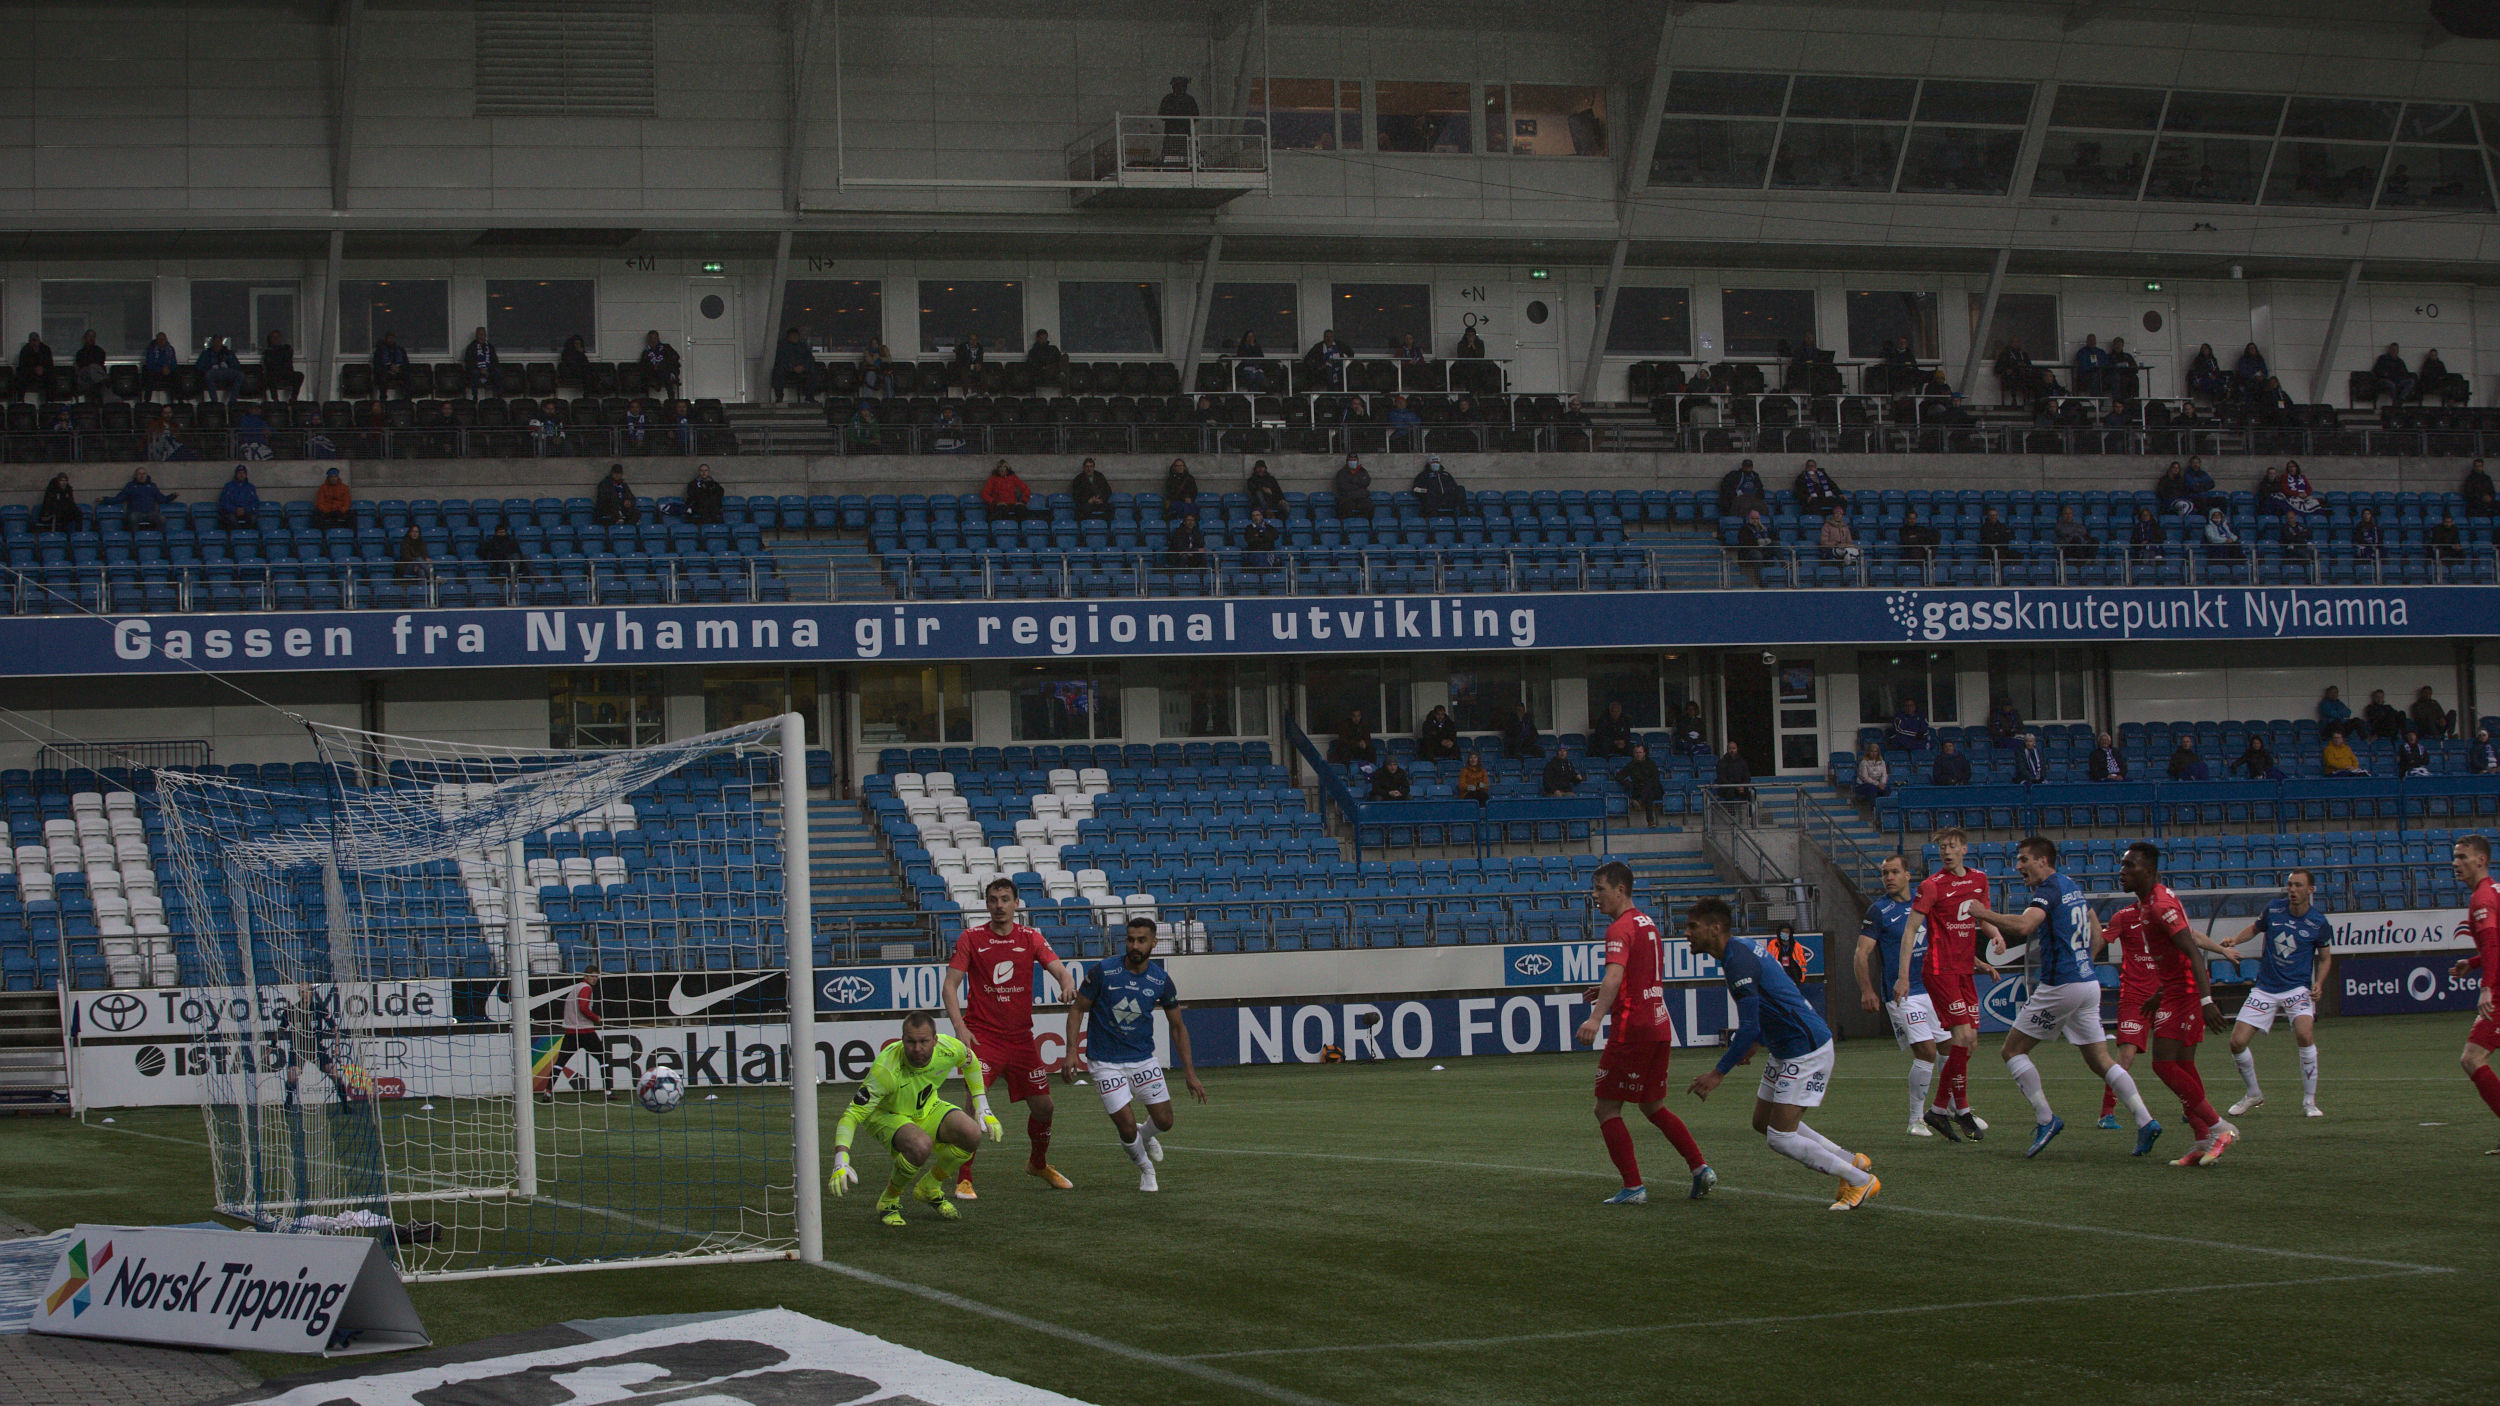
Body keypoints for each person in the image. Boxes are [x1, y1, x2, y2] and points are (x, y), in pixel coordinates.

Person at [1969, 837, 2163, 1158]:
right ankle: (2145, 1121)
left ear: (2043, 861)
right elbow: (2095, 927)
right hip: (2086, 983)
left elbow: (2024, 925)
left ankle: (2046, 1119)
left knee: (2012, 1050)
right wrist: (2085, 960)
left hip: (2061, 986)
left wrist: (1982, 913)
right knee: (2100, 1060)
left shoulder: (2048, 890)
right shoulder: (2070, 884)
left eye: (2024, 859)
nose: (2018, 866)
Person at [1683, 896, 1877, 1209]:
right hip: (1786, 1047)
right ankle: (1851, 1160)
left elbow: (1748, 1025)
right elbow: (1770, 1000)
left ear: (1715, 928)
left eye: (1693, 926)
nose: (1686, 933)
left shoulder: (1737, 960)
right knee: (1763, 1122)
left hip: (1806, 1048)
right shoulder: (1738, 950)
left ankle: (1859, 1180)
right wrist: (1757, 1041)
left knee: (1780, 1137)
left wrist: (1718, 1072)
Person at [1575, 864, 1714, 1203]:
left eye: (1600, 888)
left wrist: (1595, 1017)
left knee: (1606, 1109)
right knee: (1653, 1106)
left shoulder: (1619, 928)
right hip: (1659, 1024)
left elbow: (1614, 975)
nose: (1595, 895)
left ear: (1620, 890)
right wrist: (1609, 990)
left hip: (1632, 1029)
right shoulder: (1647, 923)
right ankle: (1700, 1168)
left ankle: (1633, 1186)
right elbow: (1636, 974)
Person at [942, 878, 1080, 1198]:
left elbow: (1060, 970)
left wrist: (1067, 984)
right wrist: (960, 1028)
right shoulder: (971, 938)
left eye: (1005, 899)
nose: (999, 905)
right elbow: (950, 986)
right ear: (986, 904)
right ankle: (964, 1177)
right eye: (993, 900)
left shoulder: (1031, 937)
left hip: (1021, 1041)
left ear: (1016, 904)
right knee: (974, 1106)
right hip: (983, 1039)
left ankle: (1038, 1164)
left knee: (1044, 1107)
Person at [2113, 843, 2236, 1165]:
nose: (2122, 872)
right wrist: (2160, 992)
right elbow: (2172, 954)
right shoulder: (2147, 903)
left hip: (2186, 992)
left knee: (2164, 1063)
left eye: (2130, 866)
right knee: (2183, 1065)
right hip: (2174, 990)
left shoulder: (2159, 906)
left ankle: (2219, 1127)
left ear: (2149, 871)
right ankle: (2203, 1141)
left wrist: (2206, 1000)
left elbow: (2192, 951)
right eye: (2122, 865)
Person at [1064, 917, 1206, 1193]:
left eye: (1141, 940)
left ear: (1154, 943)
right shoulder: (1104, 971)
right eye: (1130, 939)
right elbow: (1078, 1008)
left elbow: (1178, 1027)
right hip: (1104, 1062)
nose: (1135, 945)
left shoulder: (1160, 980)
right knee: (1126, 1127)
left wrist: (1190, 1074)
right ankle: (1146, 1169)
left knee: (1165, 1121)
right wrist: (1071, 1052)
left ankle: (1147, 1135)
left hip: (1142, 1059)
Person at [828, 1011, 997, 1227]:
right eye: (910, 1042)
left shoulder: (948, 1048)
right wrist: (841, 1159)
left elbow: (971, 1062)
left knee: (971, 1133)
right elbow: (851, 1114)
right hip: (887, 1115)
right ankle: (889, 1200)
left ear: (935, 1040)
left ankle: (930, 1187)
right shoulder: (886, 1069)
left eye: (923, 1041)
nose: (917, 1048)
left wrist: (982, 1106)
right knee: (920, 1145)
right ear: (902, 1039)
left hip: (926, 1107)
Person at [2204, 869, 2334, 1120]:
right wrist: (2235, 941)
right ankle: (2253, 1094)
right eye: (2290, 885)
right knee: (2236, 1042)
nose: (2292, 890)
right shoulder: (2274, 908)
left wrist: (2318, 983)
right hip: (2266, 988)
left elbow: (2326, 958)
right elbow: (2254, 929)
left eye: (2298, 885)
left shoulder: (2319, 922)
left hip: (2297, 988)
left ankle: (2309, 1101)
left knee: (2305, 1034)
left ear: (2310, 890)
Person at [1904, 827, 1995, 1141]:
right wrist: (1903, 976)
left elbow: (1983, 918)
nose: (1946, 851)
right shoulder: (1932, 885)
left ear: (1964, 849)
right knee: (1962, 1036)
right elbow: (1911, 930)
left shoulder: (1979, 880)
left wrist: (1995, 935)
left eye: (1952, 846)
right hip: (1940, 970)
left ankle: (1940, 1109)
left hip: (1964, 970)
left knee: (1970, 1043)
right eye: (1942, 847)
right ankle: (1963, 1110)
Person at [1858, 855, 1946, 1138]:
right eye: (1885, 873)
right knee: (1927, 1051)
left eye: (1894, 872)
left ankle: (1953, 1108)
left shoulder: (1924, 902)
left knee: (1950, 1049)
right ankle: (1915, 1120)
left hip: (1933, 988)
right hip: (1902, 994)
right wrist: (1867, 990)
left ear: (1908, 875)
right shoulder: (1878, 911)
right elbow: (1861, 953)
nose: (1889, 878)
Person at [2449, 835, 2500, 1151]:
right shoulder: (2494, 890)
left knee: (2472, 1058)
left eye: (2463, 857)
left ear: (2481, 860)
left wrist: (2486, 988)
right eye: (2455, 857)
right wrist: (2474, 962)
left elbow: (2493, 943)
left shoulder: (2482, 899)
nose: (2456, 863)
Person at [537, 963, 609, 1098]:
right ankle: (608, 1092)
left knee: (560, 1063)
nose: (595, 979)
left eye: (596, 977)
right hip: (586, 1031)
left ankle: (548, 1092)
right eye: (592, 976)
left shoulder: (575, 989)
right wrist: (596, 1018)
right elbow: (583, 1008)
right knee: (604, 1059)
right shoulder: (586, 988)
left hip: (570, 1032)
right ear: (585, 976)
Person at [1612, 743, 1665, 826]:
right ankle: (1650, 821)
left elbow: (1655, 779)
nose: (1638, 754)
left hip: (1654, 789)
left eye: (1640, 752)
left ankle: (1640, 802)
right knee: (1649, 795)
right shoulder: (1631, 765)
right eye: (1636, 752)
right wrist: (1627, 783)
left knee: (1649, 786)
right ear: (1633, 754)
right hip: (1639, 790)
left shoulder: (1651, 764)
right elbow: (1619, 776)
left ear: (1644, 753)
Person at [108, 468, 176, 531]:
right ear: (136, 476)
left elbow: (162, 499)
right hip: (136, 514)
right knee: (132, 518)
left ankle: (156, 536)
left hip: (150, 514)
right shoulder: (130, 486)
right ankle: (135, 537)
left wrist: (172, 496)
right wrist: (106, 499)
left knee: (161, 518)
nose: (142, 476)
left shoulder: (152, 486)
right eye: (139, 474)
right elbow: (119, 498)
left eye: (144, 474)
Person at [770, 326, 817, 404]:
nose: (795, 337)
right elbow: (780, 360)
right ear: (788, 337)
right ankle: (779, 397)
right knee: (778, 371)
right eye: (792, 336)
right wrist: (792, 368)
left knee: (812, 372)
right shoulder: (782, 347)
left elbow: (810, 360)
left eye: (796, 335)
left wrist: (803, 367)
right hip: (787, 372)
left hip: (802, 372)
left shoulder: (803, 347)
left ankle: (810, 398)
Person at [198, 335, 243, 403]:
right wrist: (209, 367)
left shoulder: (228, 352)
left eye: (218, 342)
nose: (217, 344)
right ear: (212, 343)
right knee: (208, 375)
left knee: (240, 375)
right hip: (213, 372)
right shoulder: (206, 353)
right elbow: (199, 366)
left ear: (221, 343)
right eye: (215, 342)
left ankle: (232, 400)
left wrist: (228, 364)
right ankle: (214, 401)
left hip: (227, 371)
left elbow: (237, 365)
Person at [215, 464, 260, 530]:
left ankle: (247, 534)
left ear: (246, 475)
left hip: (246, 511)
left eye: (243, 473)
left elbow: (255, 503)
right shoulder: (228, 486)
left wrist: (245, 510)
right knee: (230, 518)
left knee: (253, 518)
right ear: (236, 474)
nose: (241, 475)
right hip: (232, 512)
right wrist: (235, 509)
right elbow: (223, 502)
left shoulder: (251, 487)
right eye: (239, 473)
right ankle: (239, 533)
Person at [639, 330, 681, 396]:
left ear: (658, 339)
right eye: (651, 338)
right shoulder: (646, 352)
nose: (653, 340)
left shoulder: (666, 347)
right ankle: (668, 392)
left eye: (655, 338)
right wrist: (653, 366)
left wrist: (661, 364)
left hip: (667, 370)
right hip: (653, 372)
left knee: (664, 369)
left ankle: (669, 395)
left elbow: (676, 357)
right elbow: (643, 365)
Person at [140, 331, 178, 401]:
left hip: (168, 372)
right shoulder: (151, 350)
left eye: (163, 339)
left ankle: (176, 401)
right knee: (148, 376)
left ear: (166, 340)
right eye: (159, 339)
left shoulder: (170, 349)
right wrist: (161, 368)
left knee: (176, 376)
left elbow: (174, 363)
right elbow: (149, 364)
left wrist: (169, 369)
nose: (161, 341)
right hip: (155, 372)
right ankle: (147, 401)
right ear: (156, 340)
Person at [1713, 741, 1752, 808]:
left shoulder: (1742, 762)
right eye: (1730, 748)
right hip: (1727, 788)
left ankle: (1751, 813)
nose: (1732, 750)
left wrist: (1742, 786)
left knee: (1752, 792)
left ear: (1737, 749)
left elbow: (1747, 777)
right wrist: (1735, 787)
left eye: (1734, 748)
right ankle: (1731, 813)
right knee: (1730, 792)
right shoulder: (1722, 762)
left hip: (1741, 787)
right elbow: (1721, 779)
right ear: (1727, 749)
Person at [71, 330, 108, 402]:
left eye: (93, 336)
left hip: (96, 373)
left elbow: (100, 363)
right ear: (85, 338)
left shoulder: (100, 351)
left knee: (94, 368)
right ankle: (102, 381)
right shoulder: (80, 353)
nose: (91, 338)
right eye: (89, 336)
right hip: (85, 375)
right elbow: (81, 364)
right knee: (91, 368)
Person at [1331, 455, 1372, 519]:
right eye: (1351, 460)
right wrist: (1358, 485)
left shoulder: (1363, 471)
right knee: (1346, 505)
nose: (1353, 461)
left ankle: (1365, 522)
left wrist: (1352, 483)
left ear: (1357, 461)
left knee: (1369, 504)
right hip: (1347, 497)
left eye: (1354, 460)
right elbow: (1342, 486)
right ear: (1347, 461)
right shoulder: (1341, 473)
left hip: (1361, 497)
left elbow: (1366, 482)